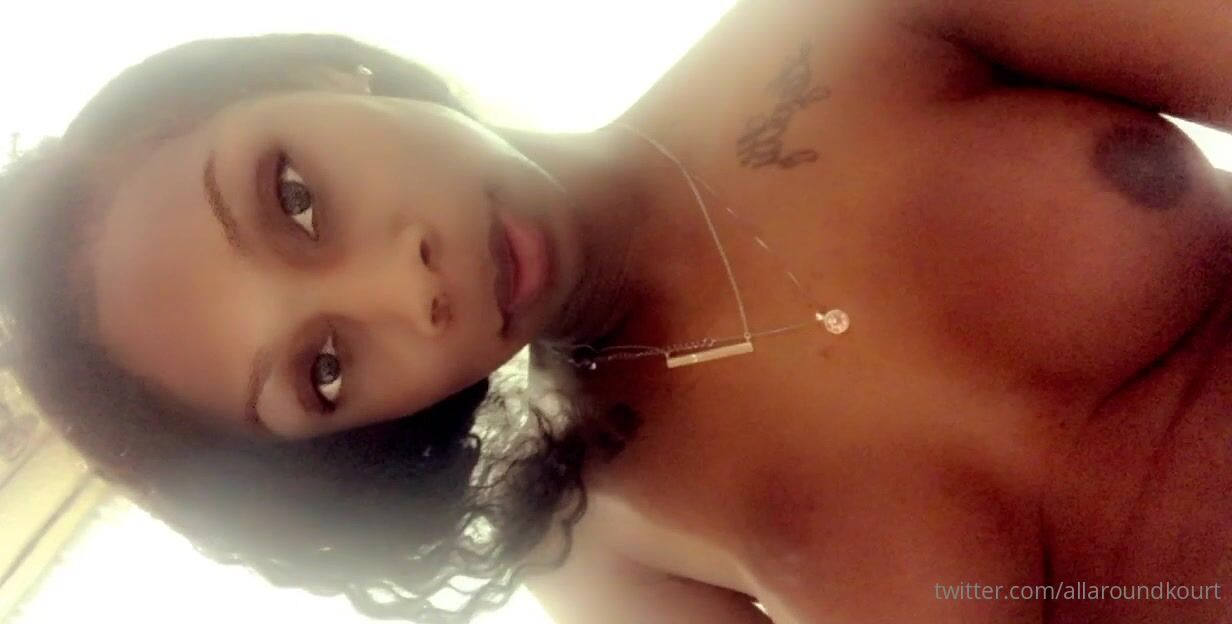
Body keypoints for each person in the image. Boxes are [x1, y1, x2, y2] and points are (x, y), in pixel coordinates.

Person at [3, 0, 1232, 622]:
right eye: (323, 369)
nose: (407, 288)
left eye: (293, 195)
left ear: (312, 73)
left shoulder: (854, 26)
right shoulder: (599, 551)